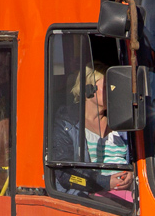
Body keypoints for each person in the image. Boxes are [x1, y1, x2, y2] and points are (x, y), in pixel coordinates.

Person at [51, 62, 133, 201]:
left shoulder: (124, 123)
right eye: (107, 87)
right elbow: (65, 175)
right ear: (89, 88)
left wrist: (133, 173)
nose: (113, 92)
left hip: (129, 195)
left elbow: (140, 159)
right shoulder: (67, 125)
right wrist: (105, 183)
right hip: (89, 199)